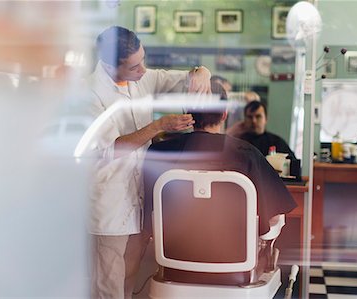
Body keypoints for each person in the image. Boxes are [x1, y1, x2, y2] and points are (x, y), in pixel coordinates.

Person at [87, 26, 211, 299]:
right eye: (134, 66)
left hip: (138, 204)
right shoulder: (91, 94)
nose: (143, 70)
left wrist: (201, 72)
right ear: (109, 64)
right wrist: (158, 126)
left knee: (129, 283)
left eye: (143, 59)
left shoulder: (140, 78)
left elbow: (186, 79)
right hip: (109, 207)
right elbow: (109, 150)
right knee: (108, 289)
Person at [143, 97, 297, 240]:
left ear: (187, 113)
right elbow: (273, 216)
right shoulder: (247, 154)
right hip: (233, 257)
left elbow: (150, 211)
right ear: (224, 115)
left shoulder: (159, 151)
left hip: (174, 254)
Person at [227, 101, 296, 160]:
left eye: (258, 116)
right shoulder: (237, 143)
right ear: (244, 120)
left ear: (266, 119)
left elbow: (293, 167)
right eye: (250, 117)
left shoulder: (277, 143)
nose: (254, 121)